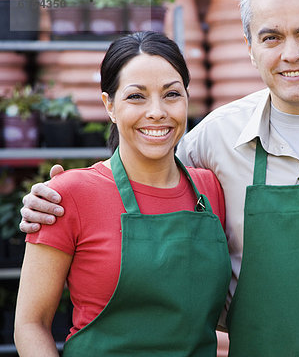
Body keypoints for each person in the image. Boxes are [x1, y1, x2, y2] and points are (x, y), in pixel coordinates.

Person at [19, 0, 299, 355]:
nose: (291, 53)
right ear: (249, 48)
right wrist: (52, 202)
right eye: (271, 37)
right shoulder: (211, 142)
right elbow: (145, 182)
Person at [14, 31, 231, 356]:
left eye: (171, 94)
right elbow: (30, 324)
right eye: (136, 97)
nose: (157, 111)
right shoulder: (67, 195)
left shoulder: (210, 189)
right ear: (109, 105)